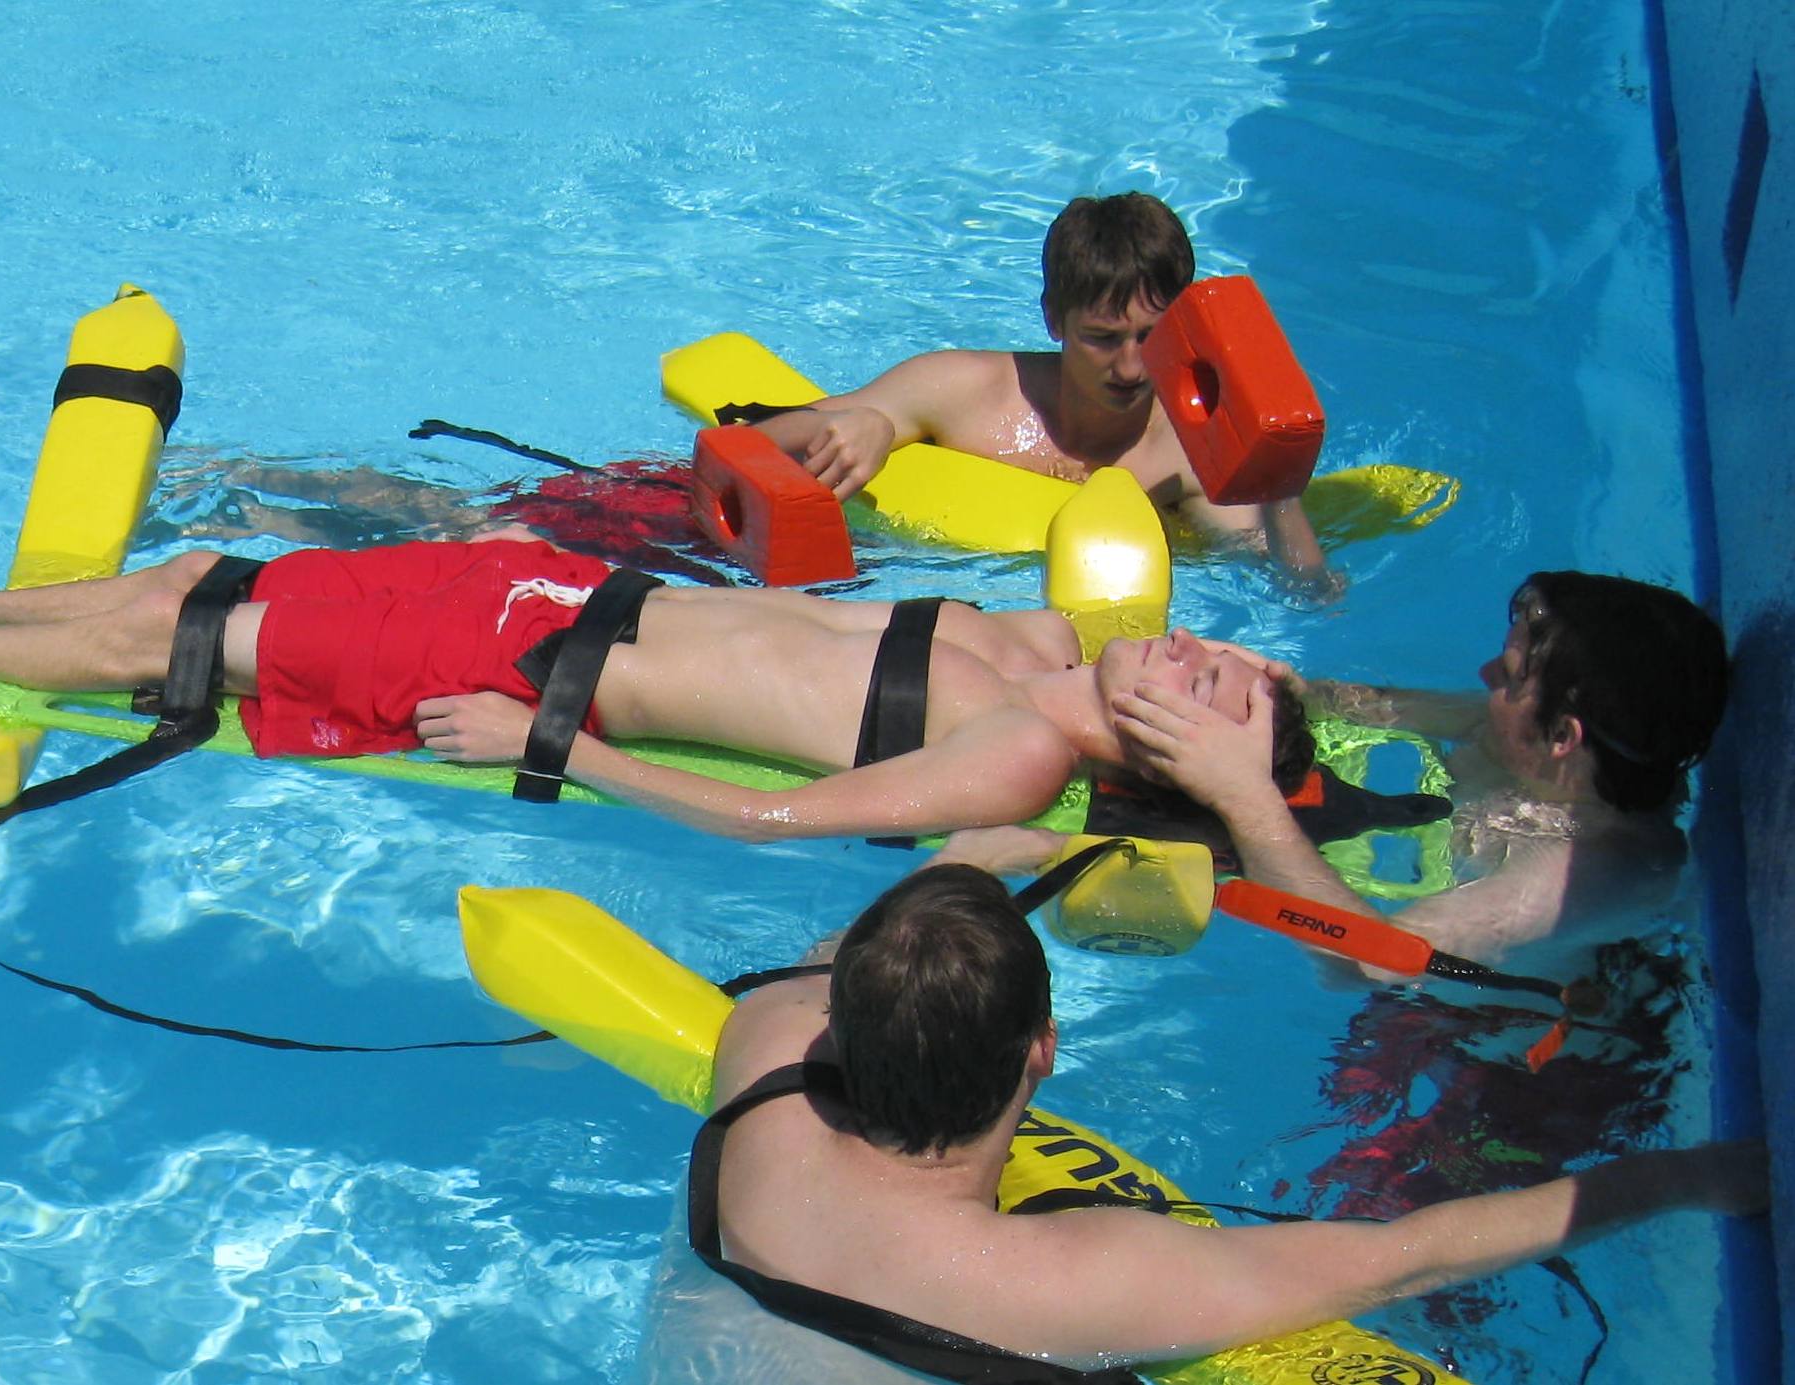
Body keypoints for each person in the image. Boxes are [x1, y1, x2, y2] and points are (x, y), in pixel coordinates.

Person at [0, 502, 1311, 844]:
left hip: (531, 662)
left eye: (1222, 684)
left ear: (1178, 753)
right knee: (210, 579)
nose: (1207, 650)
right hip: (564, 584)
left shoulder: (1013, 761)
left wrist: (545, 746)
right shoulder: (1035, 648)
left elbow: (772, 821)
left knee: (200, 645)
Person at [704, 863, 1766, 1372]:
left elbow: (830, 960)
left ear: (837, 1025)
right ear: (1044, 1049)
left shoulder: (762, 1060)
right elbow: (1398, 1257)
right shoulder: (1069, 1277)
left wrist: (968, 883)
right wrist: (1688, 1177)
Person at [1106, 571, 1730, 970]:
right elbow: (1356, 707)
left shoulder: (1587, 872)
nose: (1485, 677)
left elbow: (1370, 961)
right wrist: (1266, 688)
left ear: (1565, 738)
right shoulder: (1518, 735)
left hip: (1507, 1067)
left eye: (1509, 678)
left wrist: (1244, 797)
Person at [747, 193, 1332, 588]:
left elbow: (1300, 592)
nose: (1130, 367)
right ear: (1054, 320)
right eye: (1102, 339)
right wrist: (868, 422)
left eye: (1151, 338)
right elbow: (752, 440)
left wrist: (1279, 484)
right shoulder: (963, 389)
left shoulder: (1187, 456)